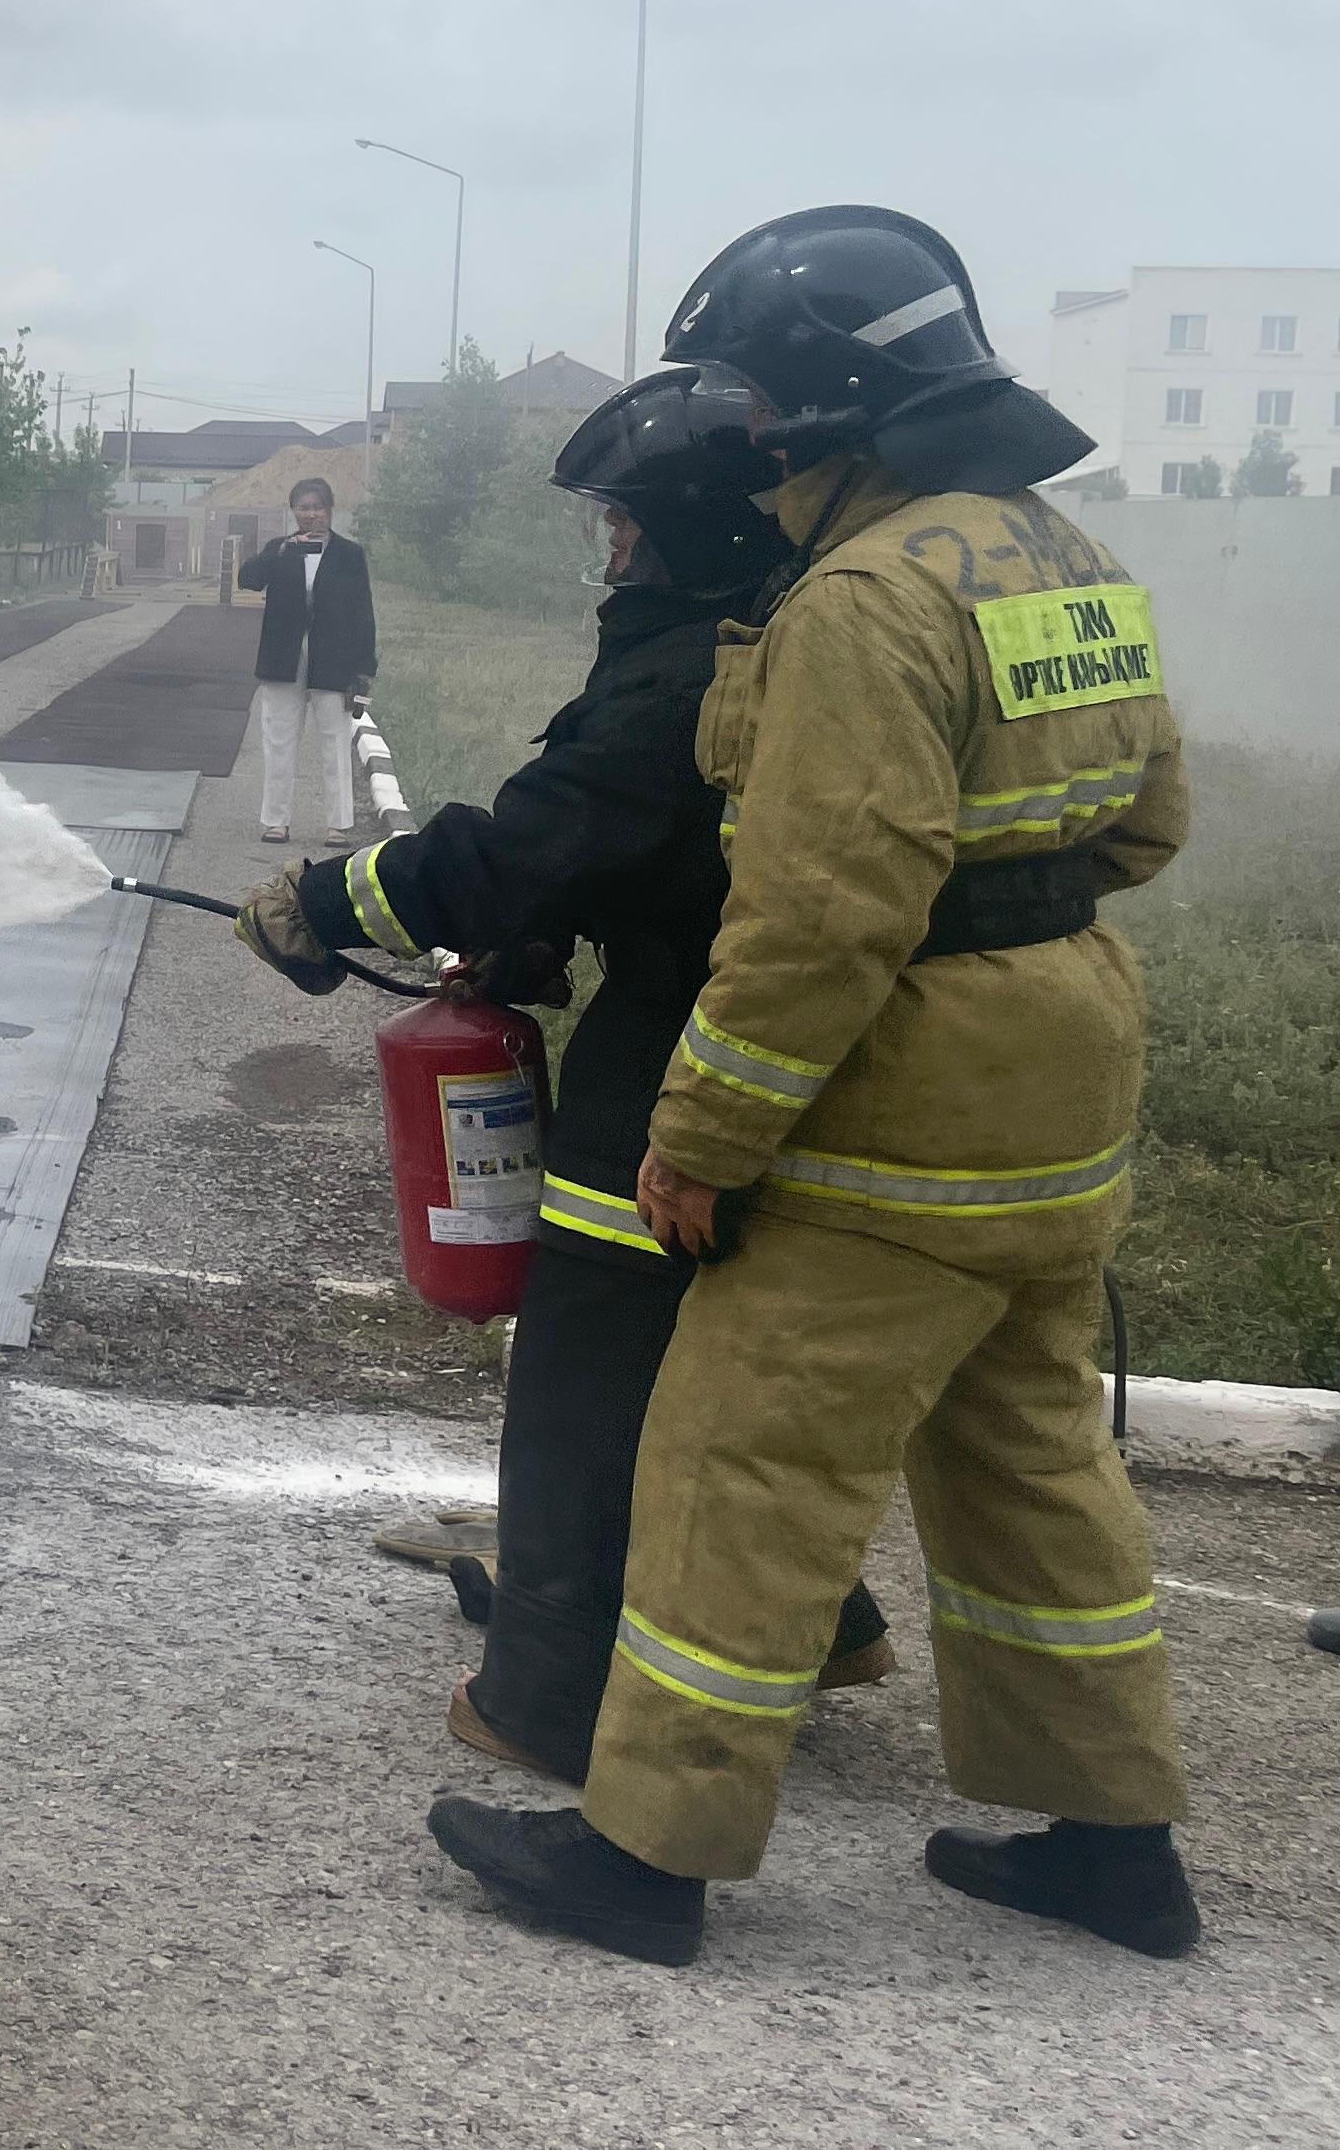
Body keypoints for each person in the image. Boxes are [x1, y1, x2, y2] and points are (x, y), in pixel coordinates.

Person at [428, 206, 1198, 1971]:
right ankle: (1113, 1844)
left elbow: (819, 915)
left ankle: (641, 1852)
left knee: (733, 1463)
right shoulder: (1055, 551)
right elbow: (1148, 822)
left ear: (833, 408)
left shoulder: (859, 598)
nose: (750, 442)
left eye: (763, 402)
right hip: (1065, 1076)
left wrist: (700, 1137)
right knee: (1033, 1470)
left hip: (900, 1110)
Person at [236, 373, 892, 1784]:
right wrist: (541, 933)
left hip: (683, 1049)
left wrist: (332, 901)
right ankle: (824, 1625)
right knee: (712, 1360)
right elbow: (632, 848)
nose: (607, 549)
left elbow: (537, 832)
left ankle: (544, 1690)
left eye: (622, 524)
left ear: (688, 528)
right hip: (782, 1034)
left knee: (589, 1363)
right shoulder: (753, 636)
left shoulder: (691, 673)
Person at [239, 476, 376, 846]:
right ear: (293, 511)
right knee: (279, 741)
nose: (310, 514)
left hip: (334, 659)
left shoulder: (349, 554)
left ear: (330, 511)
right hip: (283, 659)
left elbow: (363, 611)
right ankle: (276, 821)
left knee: (334, 741)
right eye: (303, 507)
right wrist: (279, 551)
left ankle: (338, 825)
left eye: (317, 507)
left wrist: (366, 669)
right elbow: (247, 579)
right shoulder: (279, 549)